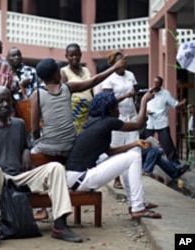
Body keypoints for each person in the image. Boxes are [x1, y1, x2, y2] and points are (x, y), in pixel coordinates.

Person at [0, 86, 83, 248]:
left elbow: (24, 145)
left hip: (18, 177)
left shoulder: (19, 124)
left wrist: (25, 151)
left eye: (8, 100)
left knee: (56, 168)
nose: (4, 104)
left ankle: (60, 224)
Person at [65, 91, 162, 219]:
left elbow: (109, 152)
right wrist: (144, 100)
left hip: (76, 178)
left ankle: (135, 203)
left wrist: (135, 144)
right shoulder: (108, 122)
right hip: (82, 178)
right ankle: (138, 208)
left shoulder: (94, 122)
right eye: (117, 107)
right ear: (110, 110)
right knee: (134, 157)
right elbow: (138, 124)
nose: (119, 111)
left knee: (129, 158)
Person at [31, 57, 126, 157]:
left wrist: (38, 142)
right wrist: (114, 67)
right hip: (70, 146)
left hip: (47, 148)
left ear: (41, 78)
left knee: (30, 156)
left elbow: (35, 129)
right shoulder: (67, 87)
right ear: (57, 73)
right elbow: (94, 81)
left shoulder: (36, 94)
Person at [100, 50, 139, 189]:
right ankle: (116, 178)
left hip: (131, 114)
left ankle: (132, 178)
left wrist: (135, 93)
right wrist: (125, 96)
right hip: (117, 116)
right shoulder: (109, 78)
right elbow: (107, 101)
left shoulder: (130, 75)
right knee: (117, 148)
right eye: (120, 60)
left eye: (124, 60)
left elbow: (135, 89)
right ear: (113, 63)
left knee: (133, 147)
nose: (124, 63)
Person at [145, 76, 186, 163]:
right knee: (145, 141)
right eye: (154, 83)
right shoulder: (148, 93)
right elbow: (143, 104)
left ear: (161, 84)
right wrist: (146, 111)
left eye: (157, 83)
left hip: (162, 122)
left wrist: (182, 103)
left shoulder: (166, 93)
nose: (155, 85)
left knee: (166, 143)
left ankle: (174, 162)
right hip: (150, 122)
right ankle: (145, 160)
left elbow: (174, 104)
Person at [60, 43, 93, 134]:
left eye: (77, 55)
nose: (74, 58)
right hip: (74, 113)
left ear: (81, 55)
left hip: (88, 112)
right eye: (71, 55)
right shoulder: (64, 71)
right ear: (66, 56)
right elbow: (63, 94)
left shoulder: (86, 70)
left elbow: (91, 89)